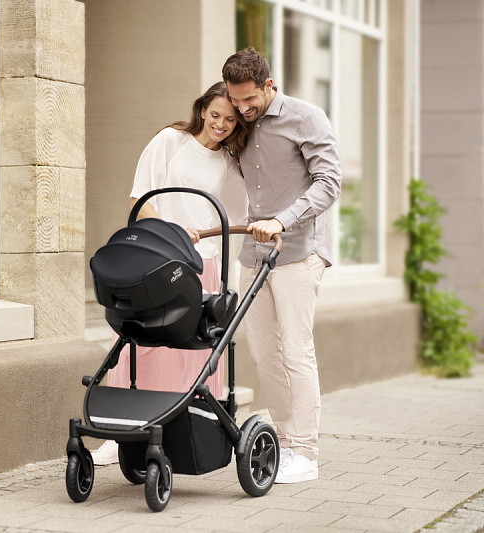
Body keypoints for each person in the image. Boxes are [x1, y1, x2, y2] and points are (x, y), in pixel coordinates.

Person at [91, 82, 249, 465]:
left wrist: (206, 235)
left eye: (230, 120)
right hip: (158, 258)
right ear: (202, 110)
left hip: (201, 263)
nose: (221, 124)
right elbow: (139, 198)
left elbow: (235, 215)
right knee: (141, 343)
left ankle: (183, 435)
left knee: (190, 352)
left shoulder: (229, 162)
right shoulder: (170, 140)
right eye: (215, 115)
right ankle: (120, 436)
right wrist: (171, 235)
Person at [221, 47, 342, 483]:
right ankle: (286, 443)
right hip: (254, 255)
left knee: (295, 350)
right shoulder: (239, 120)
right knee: (264, 353)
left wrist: (282, 219)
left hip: (298, 252)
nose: (242, 108)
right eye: (235, 100)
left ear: (269, 85)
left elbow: (330, 181)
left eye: (250, 99)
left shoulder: (305, 117)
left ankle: (306, 453)